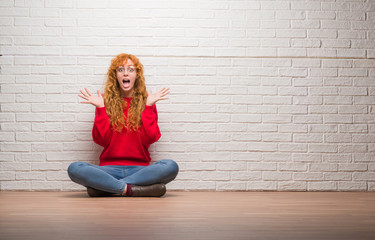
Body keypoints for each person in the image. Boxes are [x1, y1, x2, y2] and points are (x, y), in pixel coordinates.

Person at [67, 53, 179, 197]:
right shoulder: (104, 103)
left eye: (131, 69)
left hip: (140, 169)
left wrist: (149, 107)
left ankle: (106, 187)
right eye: (121, 69)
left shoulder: (147, 103)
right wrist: (101, 109)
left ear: (137, 75)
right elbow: (101, 141)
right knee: (75, 168)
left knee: (170, 166)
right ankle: (130, 189)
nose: (125, 73)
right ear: (116, 76)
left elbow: (150, 139)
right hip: (108, 169)